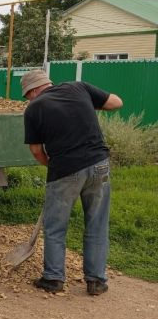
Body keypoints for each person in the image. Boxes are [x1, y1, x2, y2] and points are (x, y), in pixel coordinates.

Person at [21, 69, 123, 296]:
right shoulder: (79, 88)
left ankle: (53, 278)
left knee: (56, 227)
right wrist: (87, 104)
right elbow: (116, 103)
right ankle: (96, 281)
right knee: (97, 223)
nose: (28, 99)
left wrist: (56, 167)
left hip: (65, 169)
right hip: (99, 165)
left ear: (34, 90)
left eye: (27, 95)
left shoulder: (34, 109)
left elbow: (37, 151)